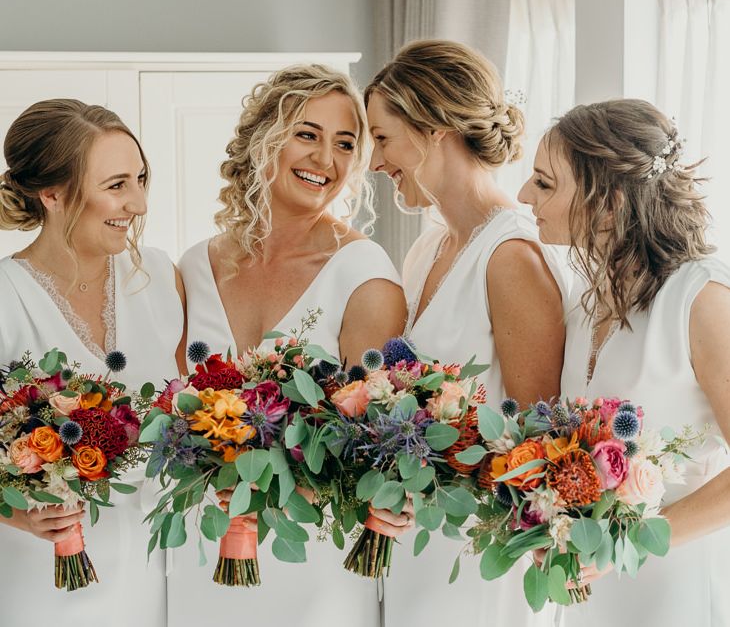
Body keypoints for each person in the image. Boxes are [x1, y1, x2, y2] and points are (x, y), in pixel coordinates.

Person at [172, 64, 409, 626]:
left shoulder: (364, 273)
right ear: (265, 138)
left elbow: (375, 447)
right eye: (307, 134)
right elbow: (173, 404)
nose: (325, 160)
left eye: (345, 143)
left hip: (310, 560)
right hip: (201, 547)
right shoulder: (195, 265)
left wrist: (273, 483)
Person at [366, 39, 569, 627]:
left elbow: (538, 436)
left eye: (383, 138)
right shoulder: (430, 245)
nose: (376, 162)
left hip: (478, 554)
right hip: (419, 536)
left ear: (433, 130)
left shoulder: (509, 254)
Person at [518, 98, 730, 626]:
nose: (524, 196)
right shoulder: (585, 298)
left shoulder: (701, 299)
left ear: (609, 204)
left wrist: (628, 541)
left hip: (672, 585)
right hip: (593, 589)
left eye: (544, 183)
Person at [0, 99, 185, 627]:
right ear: (52, 194)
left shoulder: (157, 276)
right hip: (41, 580)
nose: (140, 202)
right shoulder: (5, 294)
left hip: (152, 574)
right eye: (117, 185)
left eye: (141, 179)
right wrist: (18, 514)